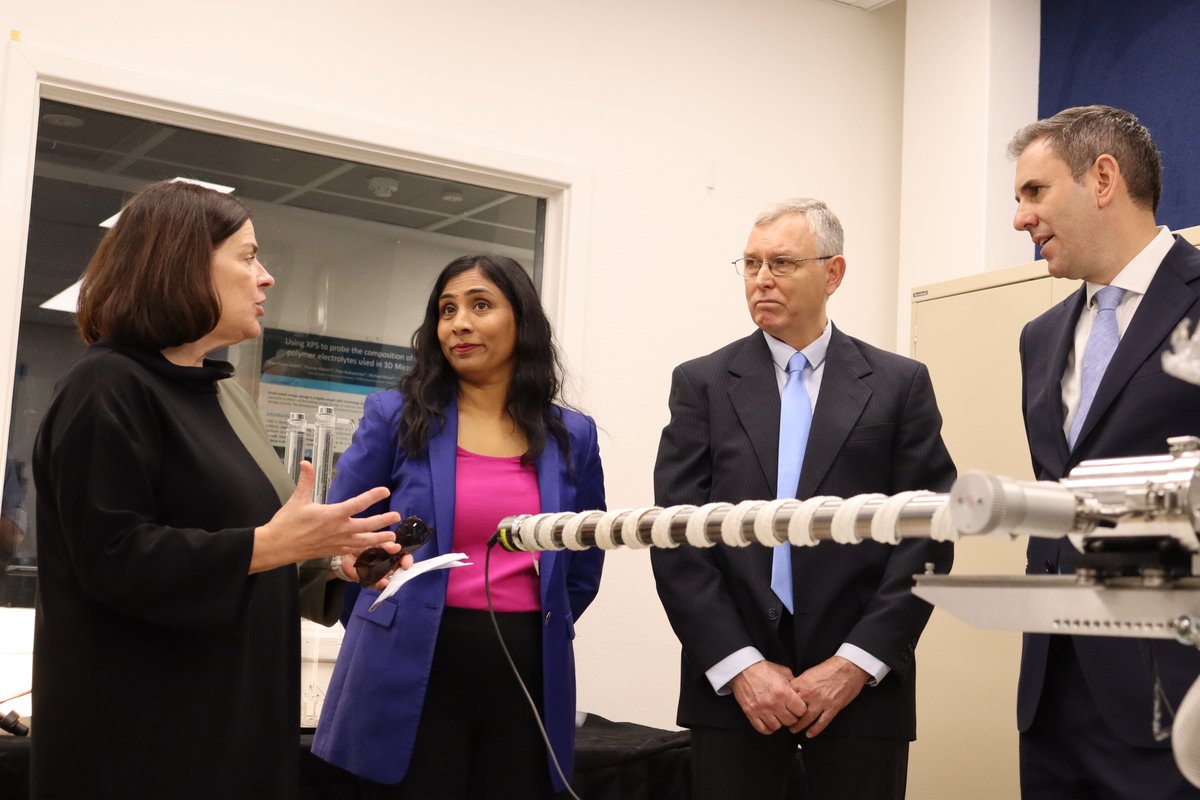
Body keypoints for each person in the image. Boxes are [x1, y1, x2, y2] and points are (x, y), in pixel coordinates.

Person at [31, 180, 403, 799]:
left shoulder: (219, 392)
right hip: (146, 743)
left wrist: (336, 563)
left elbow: (247, 545)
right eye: (248, 255)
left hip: (235, 724)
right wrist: (269, 545)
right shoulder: (105, 388)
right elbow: (113, 558)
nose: (267, 278)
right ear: (181, 264)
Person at [650, 198, 955, 800]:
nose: (761, 278)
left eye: (782, 263)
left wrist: (856, 662)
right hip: (733, 692)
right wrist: (739, 665)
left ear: (833, 273)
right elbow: (676, 539)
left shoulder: (897, 385)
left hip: (861, 693)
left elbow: (930, 532)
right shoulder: (702, 384)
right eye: (751, 263)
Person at [311, 255, 606, 799]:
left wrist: (536, 623)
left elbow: (581, 566)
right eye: (447, 310)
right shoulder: (394, 417)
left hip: (527, 667)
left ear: (522, 322)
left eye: (480, 305)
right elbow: (338, 536)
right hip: (409, 666)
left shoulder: (574, 435)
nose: (459, 324)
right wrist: (384, 621)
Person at [1011, 105, 1200, 798]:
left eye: (1034, 192)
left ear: (1103, 178)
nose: (1020, 218)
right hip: (1052, 696)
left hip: (1175, 694)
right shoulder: (1039, 337)